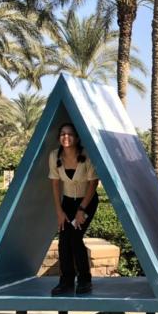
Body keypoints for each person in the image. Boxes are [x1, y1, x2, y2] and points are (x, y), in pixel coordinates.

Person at [49, 123, 100, 296]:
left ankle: (85, 280)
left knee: (76, 238)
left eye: (70, 134)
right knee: (64, 241)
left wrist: (82, 209)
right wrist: (59, 211)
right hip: (67, 203)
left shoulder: (86, 155)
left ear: (77, 138)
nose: (66, 137)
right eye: (62, 134)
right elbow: (55, 184)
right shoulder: (54, 156)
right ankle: (66, 281)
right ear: (59, 137)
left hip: (87, 201)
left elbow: (93, 184)